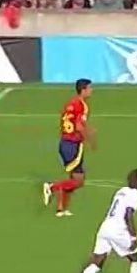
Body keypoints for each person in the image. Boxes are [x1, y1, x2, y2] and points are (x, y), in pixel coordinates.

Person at [64, 168, 137, 273]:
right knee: (136, 259)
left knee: (98, 261)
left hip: (105, 228)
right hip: (117, 231)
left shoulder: (121, 191)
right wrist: (133, 237)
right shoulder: (134, 194)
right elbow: (128, 214)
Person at [43, 79, 94, 216]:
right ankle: (51, 187)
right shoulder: (81, 105)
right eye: (89, 88)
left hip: (65, 142)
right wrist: (89, 139)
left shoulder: (70, 104)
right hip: (72, 144)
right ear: (83, 90)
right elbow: (78, 126)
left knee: (72, 178)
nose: (91, 91)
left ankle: (61, 209)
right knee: (78, 181)